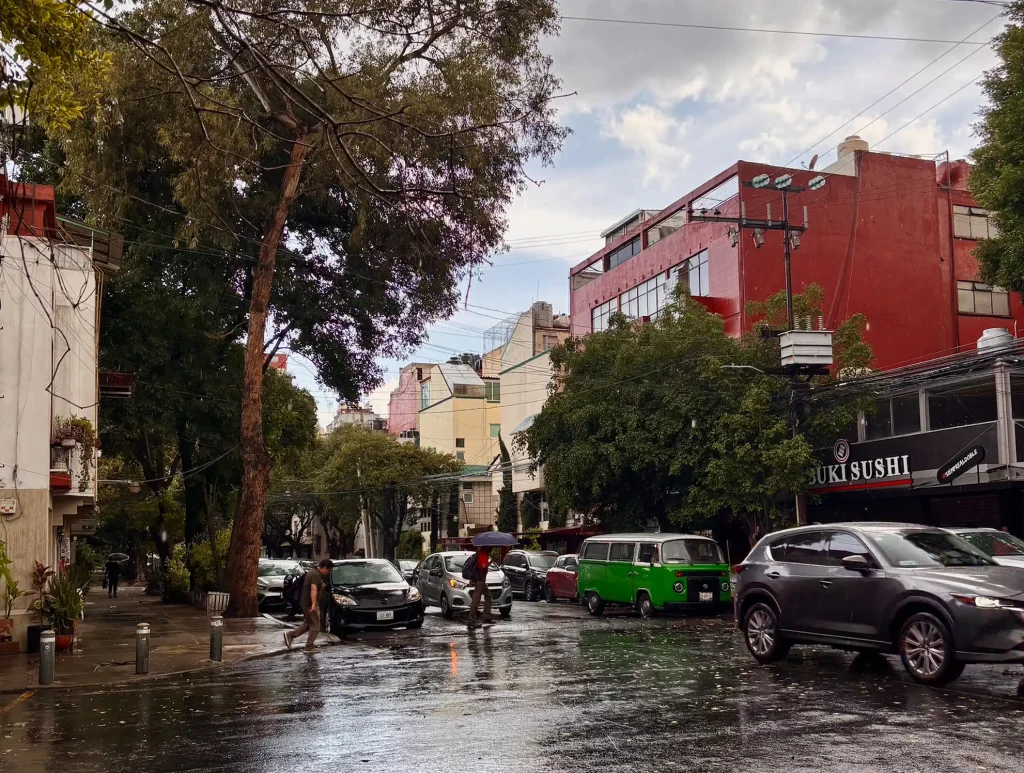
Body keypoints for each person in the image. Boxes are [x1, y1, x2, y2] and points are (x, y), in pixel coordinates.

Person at [285, 559, 331, 652]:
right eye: (329, 570)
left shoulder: (313, 573)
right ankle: (309, 646)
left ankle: (290, 635)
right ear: (325, 567)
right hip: (309, 603)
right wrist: (314, 604)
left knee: (308, 624)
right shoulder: (315, 575)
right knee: (315, 626)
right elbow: (313, 589)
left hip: (306, 603)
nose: (328, 572)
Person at [468, 547, 494, 628]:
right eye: (491, 547)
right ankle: (471, 620)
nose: (492, 549)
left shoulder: (480, 553)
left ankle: (486, 616)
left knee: (488, 595)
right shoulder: (483, 554)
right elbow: (483, 566)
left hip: (480, 579)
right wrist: (491, 562)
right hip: (480, 579)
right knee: (476, 599)